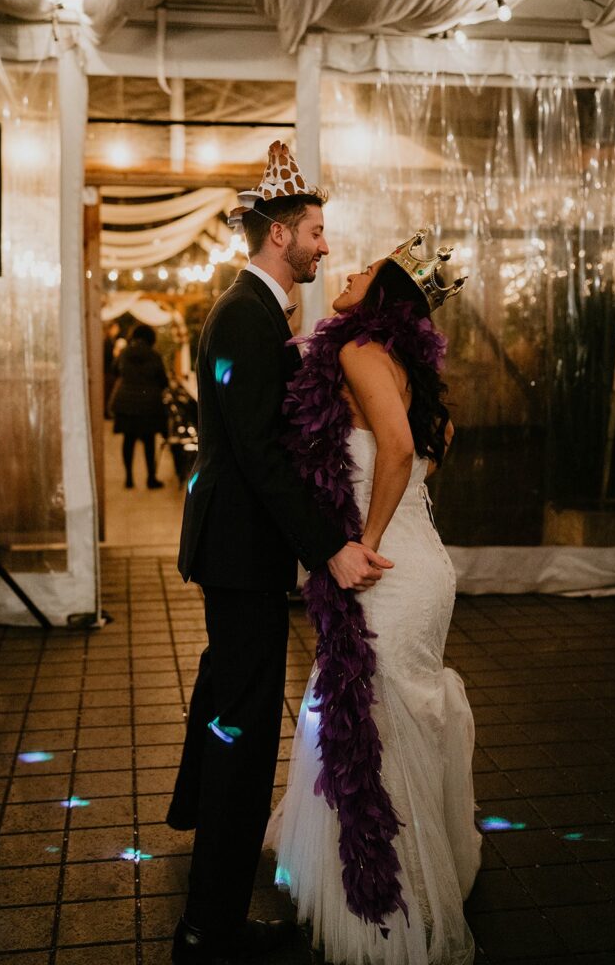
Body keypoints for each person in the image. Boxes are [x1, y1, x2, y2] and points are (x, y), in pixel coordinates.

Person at [167, 142, 393, 965]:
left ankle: (197, 854)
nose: (325, 247)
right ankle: (210, 928)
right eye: (316, 231)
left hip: (233, 550)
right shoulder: (241, 313)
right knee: (244, 730)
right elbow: (258, 452)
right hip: (238, 552)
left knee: (225, 694)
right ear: (277, 236)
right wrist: (331, 545)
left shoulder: (259, 316)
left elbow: (257, 420)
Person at [267, 230, 482, 964]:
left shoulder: (359, 350)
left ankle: (389, 903)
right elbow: (433, 442)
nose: (348, 270)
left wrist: (363, 537)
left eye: (365, 269)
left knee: (372, 720)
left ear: (384, 294)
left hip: (386, 565)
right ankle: (424, 871)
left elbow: (394, 451)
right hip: (423, 564)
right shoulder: (393, 360)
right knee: (388, 710)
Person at [111, 322, 169, 489]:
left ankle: (128, 478)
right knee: (149, 441)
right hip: (148, 405)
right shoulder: (154, 355)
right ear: (150, 338)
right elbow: (163, 381)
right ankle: (151, 478)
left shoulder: (124, 353)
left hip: (126, 403)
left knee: (128, 440)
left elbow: (114, 370)